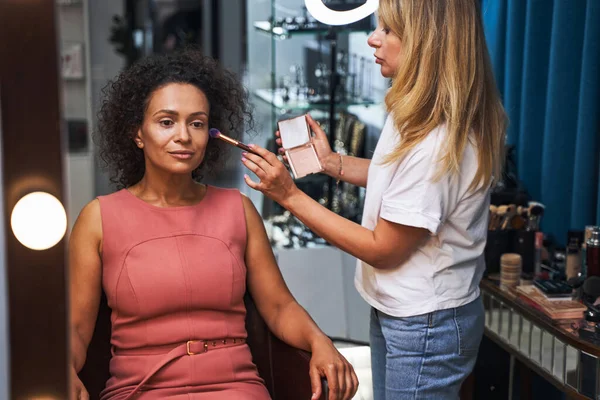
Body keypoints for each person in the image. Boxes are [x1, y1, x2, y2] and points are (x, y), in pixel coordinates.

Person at [241, 0, 507, 399]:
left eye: (389, 31)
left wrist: (289, 196)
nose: (372, 38)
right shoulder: (416, 114)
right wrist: (332, 163)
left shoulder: (436, 141)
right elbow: (399, 181)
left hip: (425, 324)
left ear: (426, 42)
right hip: (403, 311)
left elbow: (383, 250)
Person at [69, 49, 358, 400]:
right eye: (166, 122)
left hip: (236, 388)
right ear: (137, 133)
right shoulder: (98, 219)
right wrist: (62, 369)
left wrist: (320, 341)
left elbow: (280, 307)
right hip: (142, 391)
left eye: (197, 123)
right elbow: (77, 328)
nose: (184, 136)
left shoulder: (238, 209)